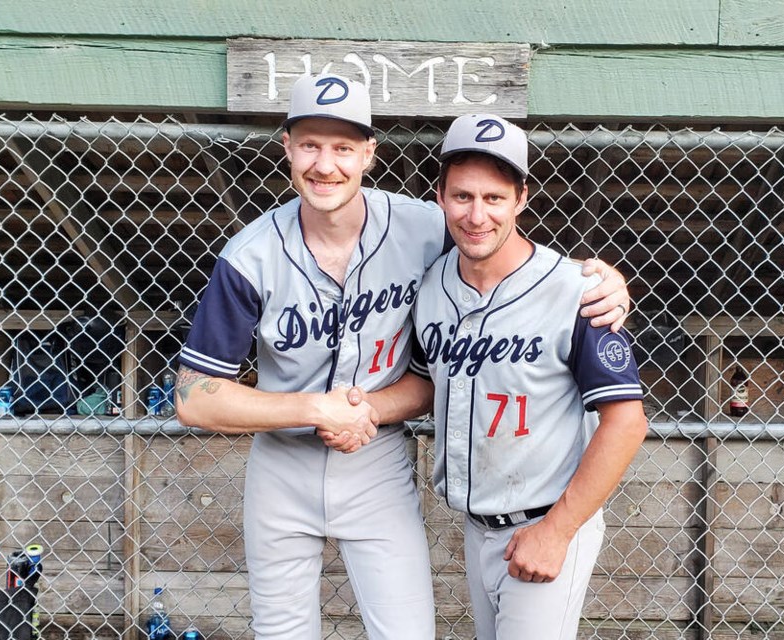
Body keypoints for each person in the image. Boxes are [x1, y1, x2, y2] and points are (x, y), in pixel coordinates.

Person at [175, 73, 631, 639]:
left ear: (369, 153)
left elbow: (502, 263)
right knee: (281, 632)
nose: (325, 164)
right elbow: (194, 398)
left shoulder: (425, 228)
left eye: (343, 147)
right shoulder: (249, 255)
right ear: (287, 147)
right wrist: (318, 409)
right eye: (311, 145)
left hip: (378, 461)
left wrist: (598, 280)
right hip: (280, 468)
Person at [409, 114, 648, 640]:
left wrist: (558, 532)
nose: (477, 215)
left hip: (547, 519)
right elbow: (429, 382)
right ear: (441, 197)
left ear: (521, 198)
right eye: (462, 196)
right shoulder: (430, 288)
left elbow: (627, 423)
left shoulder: (578, 292)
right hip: (478, 527)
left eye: (494, 198)